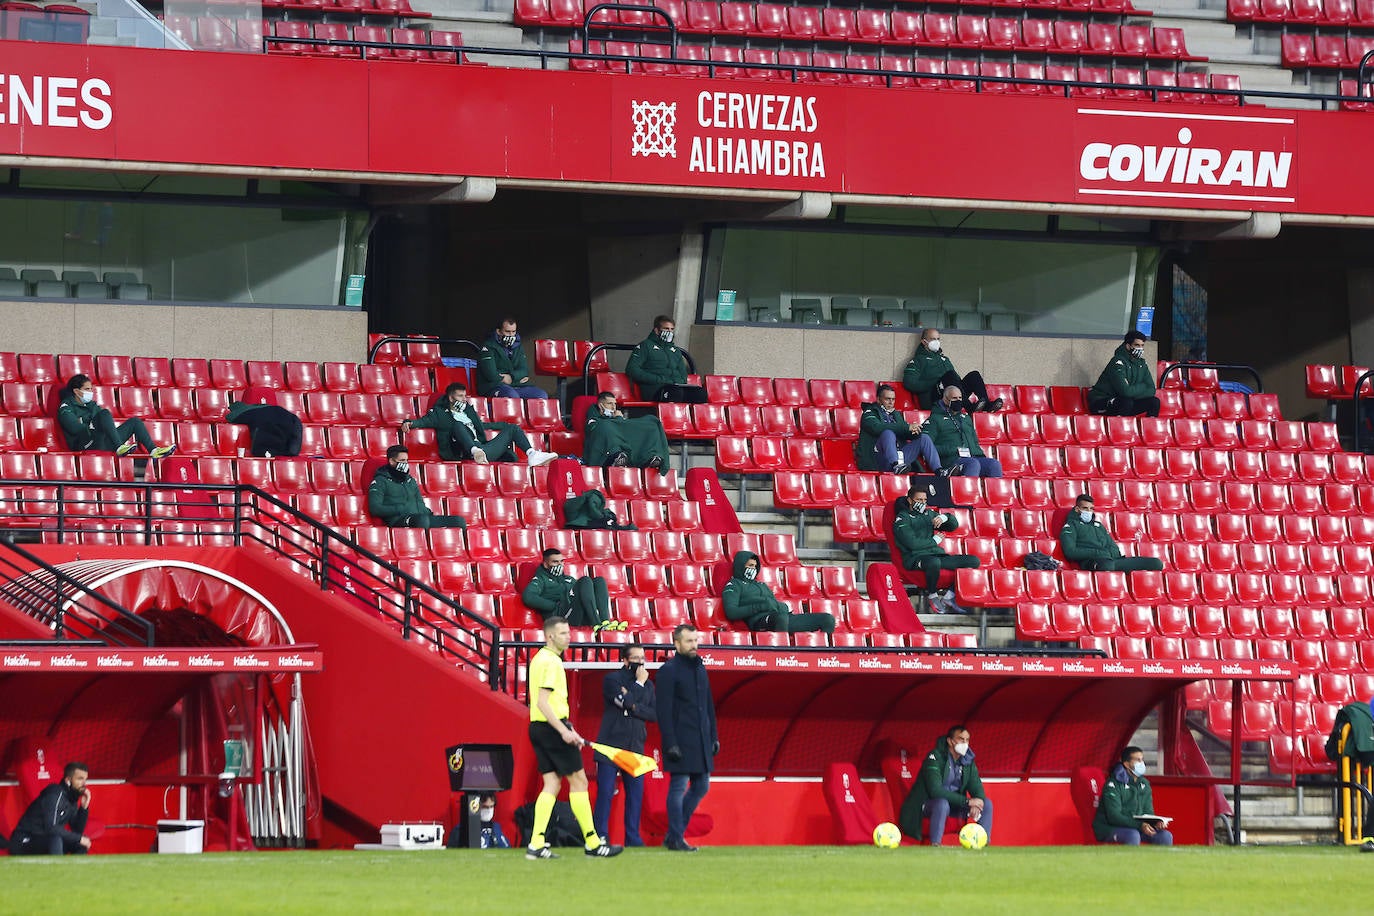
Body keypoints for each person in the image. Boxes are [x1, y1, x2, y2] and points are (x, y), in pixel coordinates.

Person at [524, 615, 624, 860]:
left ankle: (536, 843)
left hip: (539, 727)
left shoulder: (539, 659)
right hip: (551, 728)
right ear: (550, 636)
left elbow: (542, 705)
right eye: (563, 634)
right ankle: (592, 841)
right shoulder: (551, 662)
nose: (569, 637)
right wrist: (564, 731)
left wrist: (568, 728)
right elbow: (543, 702)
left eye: (569, 632)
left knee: (552, 784)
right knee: (579, 781)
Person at [655, 623, 717, 852]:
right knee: (678, 786)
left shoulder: (700, 668)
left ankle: (674, 834)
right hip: (680, 738)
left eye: (696, 640)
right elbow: (663, 710)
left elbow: (709, 704)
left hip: (701, 737)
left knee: (702, 786)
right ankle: (677, 837)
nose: (694, 645)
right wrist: (670, 742)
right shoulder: (668, 671)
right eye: (689, 641)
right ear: (676, 644)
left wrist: (713, 735)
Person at [401, 381, 556, 466]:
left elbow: (483, 426)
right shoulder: (440, 413)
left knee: (512, 431)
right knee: (457, 425)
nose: (464, 399)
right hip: (464, 452)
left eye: (464, 396)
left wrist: (504, 425)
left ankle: (532, 454)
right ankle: (476, 452)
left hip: (484, 448)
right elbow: (424, 421)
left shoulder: (468, 411)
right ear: (450, 398)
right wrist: (409, 423)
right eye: (460, 396)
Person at [593, 642, 656, 846]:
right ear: (625, 660)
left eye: (642, 659)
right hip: (610, 745)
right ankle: (600, 836)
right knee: (605, 793)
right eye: (636, 659)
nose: (640, 663)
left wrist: (632, 703)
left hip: (635, 746)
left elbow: (654, 714)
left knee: (635, 796)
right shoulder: (612, 679)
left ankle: (633, 839)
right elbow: (625, 702)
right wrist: (636, 689)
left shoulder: (649, 685)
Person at [891, 482, 979, 614]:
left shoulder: (928, 514)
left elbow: (952, 526)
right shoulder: (902, 518)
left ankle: (949, 597)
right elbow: (912, 544)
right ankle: (932, 595)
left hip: (936, 555)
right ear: (910, 500)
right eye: (919, 500)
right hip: (915, 558)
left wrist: (946, 517)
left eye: (925, 500)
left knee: (973, 561)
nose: (923, 503)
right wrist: (934, 541)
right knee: (934, 562)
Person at [898, 725, 993, 846]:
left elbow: (977, 787)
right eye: (960, 739)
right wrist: (967, 802)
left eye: (967, 740)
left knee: (986, 804)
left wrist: (978, 801)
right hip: (927, 804)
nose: (965, 743)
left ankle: (984, 843)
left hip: (956, 804)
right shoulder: (935, 757)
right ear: (950, 741)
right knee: (942, 803)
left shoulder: (968, 760)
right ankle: (936, 843)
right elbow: (935, 791)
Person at [56, 375, 174, 458]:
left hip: (101, 440)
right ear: (76, 391)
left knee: (135, 422)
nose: (91, 392)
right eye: (87, 389)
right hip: (84, 445)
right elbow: (75, 428)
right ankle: (119, 447)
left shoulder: (92, 404)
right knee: (104, 413)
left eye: (91, 389)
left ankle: (153, 450)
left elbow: (102, 422)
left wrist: (88, 421)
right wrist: (92, 423)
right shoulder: (66, 407)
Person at [721, 551, 835, 635]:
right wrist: (760, 607)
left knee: (827, 619)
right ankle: (783, 659)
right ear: (741, 566)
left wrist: (781, 607)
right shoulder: (734, 585)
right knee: (781, 618)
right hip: (759, 622)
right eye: (750, 566)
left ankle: (823, 658)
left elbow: (773, 604)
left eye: (755, 566)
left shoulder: (761, 585)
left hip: (780, 617)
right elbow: (731, 612)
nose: (754, 569)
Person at [521, 548, 623, 632]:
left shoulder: (568, 579)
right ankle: (597, 625)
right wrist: (553, 606)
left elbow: (581, 595)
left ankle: (605, 621)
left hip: (576, 613)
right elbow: (528, 597)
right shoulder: (540, 579)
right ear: (545, 564)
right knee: (585, 580)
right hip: (561, 617)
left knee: (599, 581)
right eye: (555, 562)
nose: (559, 565)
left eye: (561, 561)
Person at [366, 445, 467, 529]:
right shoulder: (380, 481)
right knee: (422, 521)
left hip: (420, 517)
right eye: (402, 460)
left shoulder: (410, 480)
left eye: (406, 460)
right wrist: (400, 509)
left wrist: (427, 513)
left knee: (459, 521)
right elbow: (375, 508)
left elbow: (419, 503)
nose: (405, 464)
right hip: (398, 520)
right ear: (392, 461)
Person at [902, 329, 1003, 412]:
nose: (936, 342)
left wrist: (951, 381)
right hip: (933, 399)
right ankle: (969, 407)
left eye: (938, 339)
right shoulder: (918, 360)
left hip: (952, 394)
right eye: (933, 339)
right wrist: (935, 382)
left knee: (974, 375)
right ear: (924, 341)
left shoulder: (945, 359)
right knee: (949, 375)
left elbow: (955, 379)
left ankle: (987, 405)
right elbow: (909, 382)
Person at [1059, 494, 1164, 573]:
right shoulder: (1070, 526)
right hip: (1093, 562)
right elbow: (1070, 552)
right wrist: (1097, 553)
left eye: (1091, 509)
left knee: (1156, 563)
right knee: (1107, 566)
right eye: (1085, 508)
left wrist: (1108, 554)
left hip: (1113, 560)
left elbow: (1113, 548)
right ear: (1077, 509)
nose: (1089, 512)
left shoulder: (1099, 526)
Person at [1093, 746, 1174, 846]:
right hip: (1109, 827)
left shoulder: (1144, 784)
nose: (1142, 763)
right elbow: (1114, 817)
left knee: (1165, 836)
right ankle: (1129, 861)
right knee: (1132, 835)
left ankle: (1159, 862)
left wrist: (1155, 823)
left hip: (1137, 827)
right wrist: (1140, 825)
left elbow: (1148, 812)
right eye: (1138, 760)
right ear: (1127, 764)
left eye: (1142, 760)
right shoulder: (1113, 784)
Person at [7, 761, 92, 855]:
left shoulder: (72, 798)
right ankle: (57, 869)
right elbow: (51, 827)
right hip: (24, 841)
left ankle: (72, 870)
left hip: (45, 840)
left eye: (85, 779)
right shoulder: (54, 794)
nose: (84, 783)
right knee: (55, 839)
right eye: (80, 779)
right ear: (68, 780)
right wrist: (79, 838)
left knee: (80, 845)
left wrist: (84, 808)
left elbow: (77, 831)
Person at [856, 384, 943, 474]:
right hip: (878, 459)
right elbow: (877, 428)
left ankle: (939, 471)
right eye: (887, 399)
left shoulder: (896, 414)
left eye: (893, 399)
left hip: (900, 455)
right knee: (888, 433)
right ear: (878, 399)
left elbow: (903, 431)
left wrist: (915, 431)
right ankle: (896, 465)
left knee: (924, 438)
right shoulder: (869, 413)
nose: (891, 402)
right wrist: (906, 427)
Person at [920, 386, 1003, 478]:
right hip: (951, 460)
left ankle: (994, 492)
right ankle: (969, 492)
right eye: (954, 398)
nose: (958, 401)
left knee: (994, 465)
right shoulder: (934, 419)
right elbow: (926, 446)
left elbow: (975, 441)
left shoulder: (966, 418)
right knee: (972, 464)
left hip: (973, 457)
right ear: (945, 399)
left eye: (960, 398)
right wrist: (952, 449)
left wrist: (978, 453)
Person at [625, 316, 706, 403]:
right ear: (656, 330)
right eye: (666, 329)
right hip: (654, 389)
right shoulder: (645, 346)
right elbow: (632, 370)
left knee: (700, 394)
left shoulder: (675, 350)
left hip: (675, 387)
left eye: (672, 329)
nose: (670, 332)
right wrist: (658, 379)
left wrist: (676, 382)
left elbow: (683, 374)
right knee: (675, 393)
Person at [582, 391, 670, 472]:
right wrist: (617, 419)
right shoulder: (593, 420)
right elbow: (597, 428)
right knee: (605, 426)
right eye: (609, 404)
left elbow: (623, 426)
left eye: (615, 404)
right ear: (600, 405)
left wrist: (619, 419)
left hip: (621, 430)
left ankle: (650, 457)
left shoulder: (616, 416)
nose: (613, 407)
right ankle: (617, 456)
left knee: (651, 422)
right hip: (607, 452)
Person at [1088, 330, 1160, 418]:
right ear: (1128, 346)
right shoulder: (1117, 362)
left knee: (1154, 402)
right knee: (1126, 402)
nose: (1140, 349)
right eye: (1137, 345)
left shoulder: (1142, 364)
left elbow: (1151, 389)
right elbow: (1125, 391)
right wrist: (1143, 386)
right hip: (1102, 401)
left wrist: (1133, 391)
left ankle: (1149, 430)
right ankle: (1120, 430)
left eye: (1142, 345)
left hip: (1126, 401)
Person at [477, 317, 547, 399]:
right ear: (498, 331)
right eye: (507, 331)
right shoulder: (488, 346)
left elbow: (524, 370)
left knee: (541, 395)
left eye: (513, 331)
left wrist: (511, 377)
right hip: (493, 387)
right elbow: (491, 375)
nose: (511, 335)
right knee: (511, 395)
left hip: (515, 386)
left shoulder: (518, 346)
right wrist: (513, 378)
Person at [225, 399, 303, 457]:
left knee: (268, 453)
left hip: (270, 424)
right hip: (291, 418)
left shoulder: (241, 413)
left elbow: (229, 418)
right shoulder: (258, 407)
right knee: (291, 453)